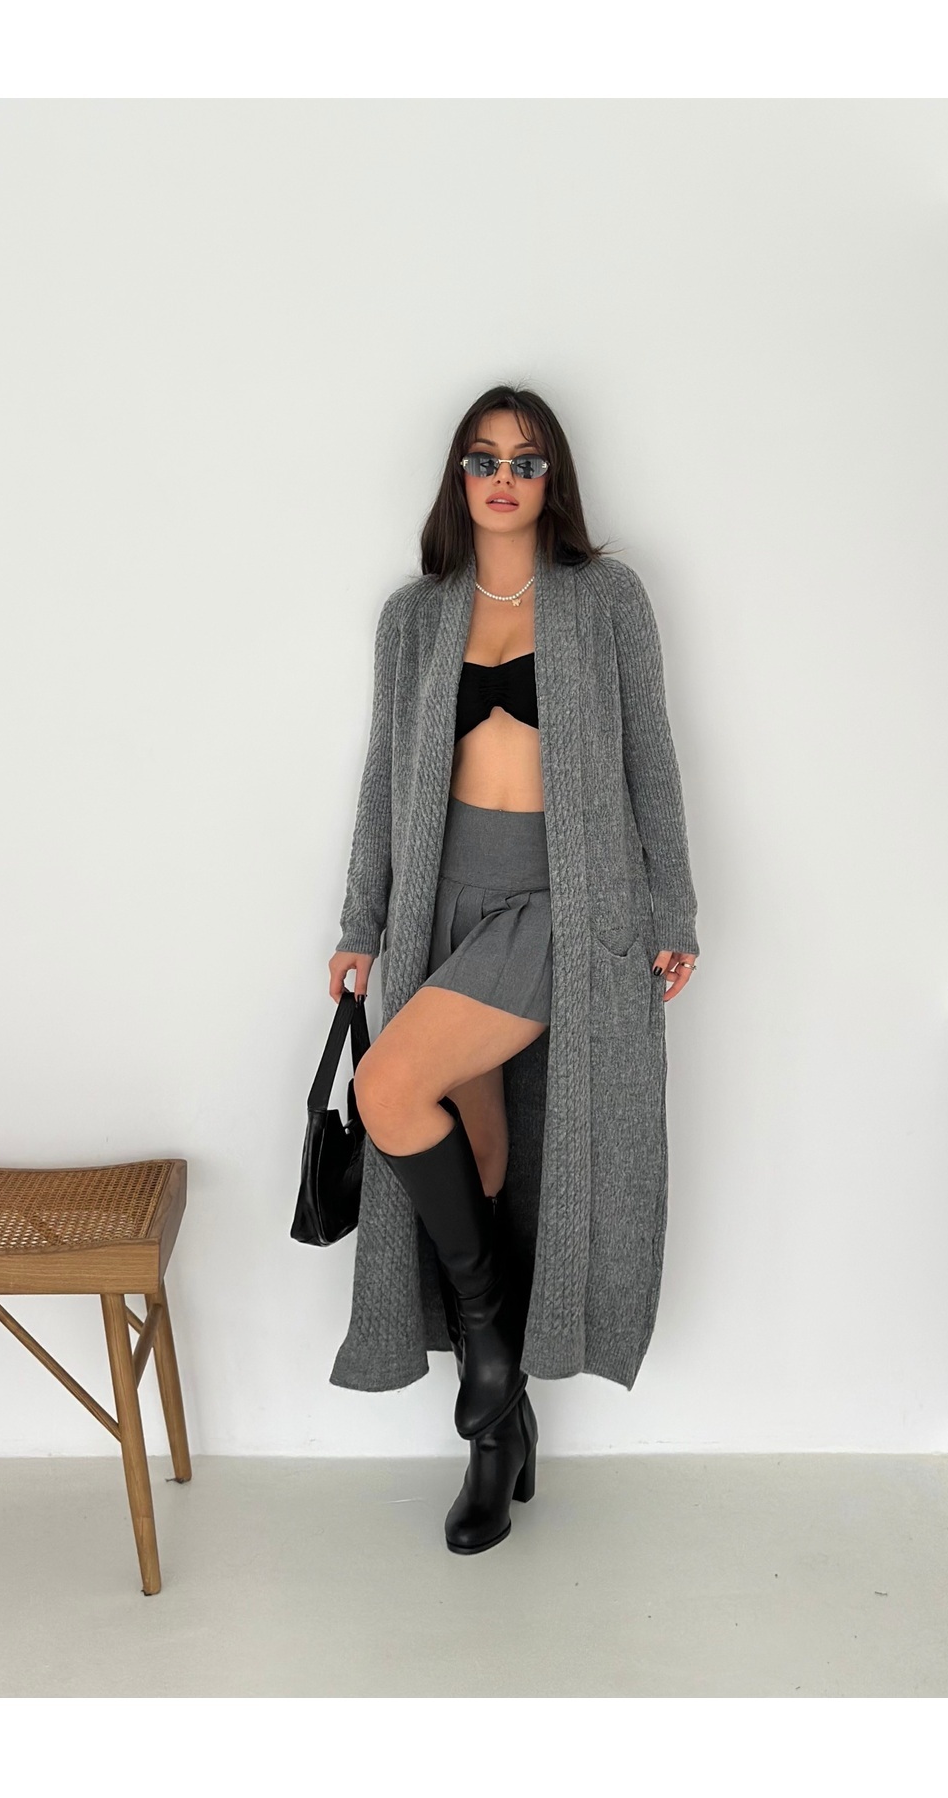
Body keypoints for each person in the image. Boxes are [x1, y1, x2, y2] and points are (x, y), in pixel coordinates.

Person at [328, 383, 699, 1556]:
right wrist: (362, 920)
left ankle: (490, 1361)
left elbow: (651, 760)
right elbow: (386, 779)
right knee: (480, 1159)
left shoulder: (605, 600)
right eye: (483, 459)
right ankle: (499, 1429)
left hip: (562, 910)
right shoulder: (415, 619)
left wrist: (674, 906)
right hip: (444, 908)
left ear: (553, 480)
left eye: (526, 462)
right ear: (459, 477)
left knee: (388, 1088)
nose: (503, 479)